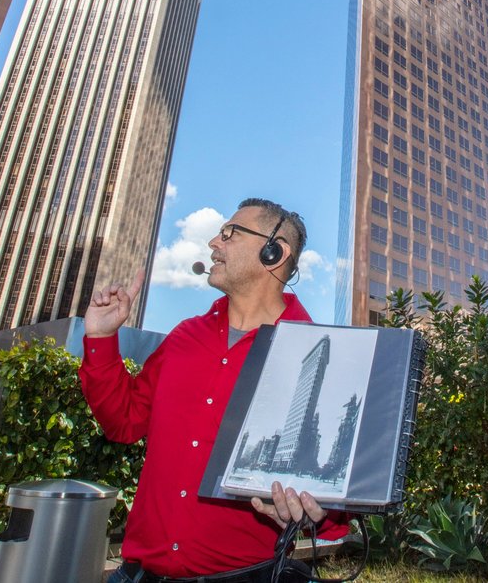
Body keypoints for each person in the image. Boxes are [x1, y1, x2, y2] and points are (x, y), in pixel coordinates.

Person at [81, 198, 349, 583]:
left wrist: (318, 512)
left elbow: (336, 500)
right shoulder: (184, 336)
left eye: (230, 233)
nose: (213, 243)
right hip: (136, 575)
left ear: (274, 251)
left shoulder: (314, 355)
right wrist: (102, 337)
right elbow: (123, 422)